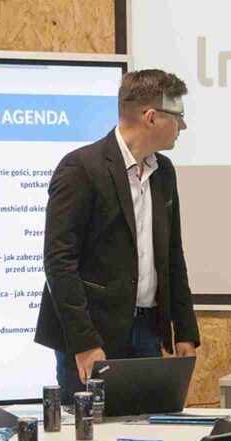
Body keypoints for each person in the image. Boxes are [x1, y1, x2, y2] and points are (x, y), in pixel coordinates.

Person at [34, 69, 201, 403]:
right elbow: (59, 262)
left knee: (146, 426)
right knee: (88, 431)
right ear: (151, 117)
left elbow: (172, 255)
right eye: (178, 116)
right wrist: (84, 342)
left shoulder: (163, 172)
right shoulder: (81, 168)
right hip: (92, 335)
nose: (183, 126)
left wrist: (184, 329)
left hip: (147, 329)